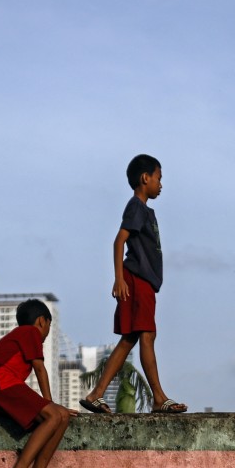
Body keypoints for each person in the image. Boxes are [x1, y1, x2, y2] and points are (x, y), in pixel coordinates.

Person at [79, 153, 187, 415]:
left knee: (130, 338)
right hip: (137, 280)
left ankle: (96, 394)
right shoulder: (136, 207)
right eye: (159, 178)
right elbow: (119, 241)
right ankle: (159, 397)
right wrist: (119, 278)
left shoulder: (143, 210)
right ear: (145, 178)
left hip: (142, 281)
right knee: (147, 335)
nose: (161, 184)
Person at [0, 298, 76, 468]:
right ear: (42, 321)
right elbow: (39, 369)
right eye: (49, 326)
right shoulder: (30, 332)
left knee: (63, 416)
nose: (47, 331)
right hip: (2, 384)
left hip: (1, 387)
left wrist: (56, 409)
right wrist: (50, 405)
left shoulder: (21, 335)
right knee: (54, 414)